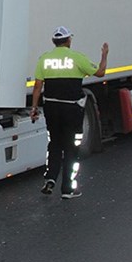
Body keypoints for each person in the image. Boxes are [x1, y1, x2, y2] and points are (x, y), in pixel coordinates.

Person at [30, 26, 108, 200]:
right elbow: (100, 73)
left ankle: (50, 179)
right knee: (71, 147)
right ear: (69, 41)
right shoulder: (77, 58)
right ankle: (67, 189)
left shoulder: (45, 59)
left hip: (51, 108)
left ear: (53, 42)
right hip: (72, 109)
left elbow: (37, 87)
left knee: (54, 144)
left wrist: (34, 109)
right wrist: (104, 56)